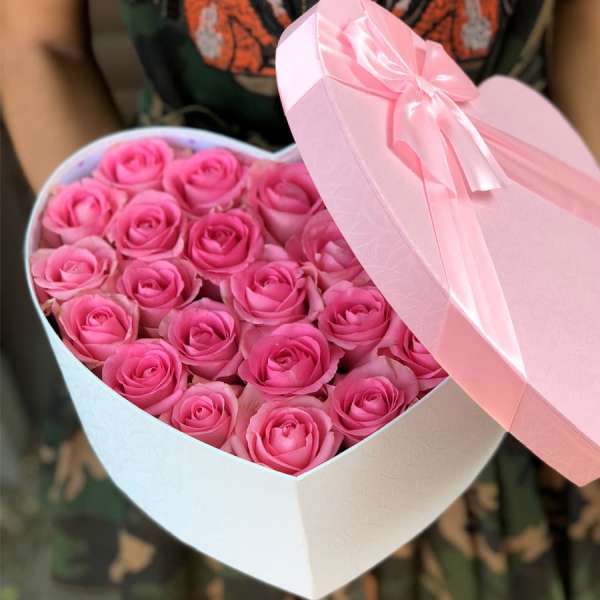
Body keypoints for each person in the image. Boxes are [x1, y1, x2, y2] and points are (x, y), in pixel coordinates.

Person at [2, 1, 599, 599]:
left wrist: (562, 255)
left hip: (487, 272)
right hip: (193, 398)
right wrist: (114, 258)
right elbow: (41, 46)